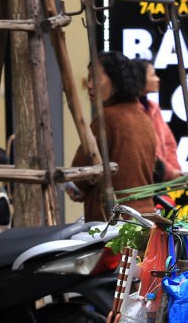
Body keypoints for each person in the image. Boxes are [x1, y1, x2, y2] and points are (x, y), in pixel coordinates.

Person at [67, 52, 158, 222]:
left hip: (111, 224)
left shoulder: (106, 119)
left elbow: (76, 185)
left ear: (115, 82)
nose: (90, 85)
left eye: (96, 78)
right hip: (146, 218)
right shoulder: (144, 118)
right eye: (89, 78)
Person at [132, 58, 182, 180]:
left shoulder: (153, 108)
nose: (157, 79)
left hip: (160, 180)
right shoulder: (131, 110)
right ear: (139, 78)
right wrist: (169, 172)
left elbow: (169, 143)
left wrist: (174, 171)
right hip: (142, 180)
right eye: (153, 75)